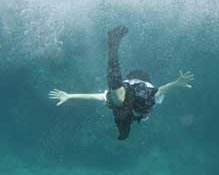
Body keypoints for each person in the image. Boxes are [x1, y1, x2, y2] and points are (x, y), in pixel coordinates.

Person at [49, 26, 194, 140]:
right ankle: (113, 46)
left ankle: (113, 46)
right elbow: (161, 90)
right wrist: (176, 83)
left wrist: (69, 96)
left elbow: (97, 97)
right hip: (137, 92)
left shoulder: (142, 103)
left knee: (119, 101)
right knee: (121, 101)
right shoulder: (147, 99)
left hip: (132, 92)